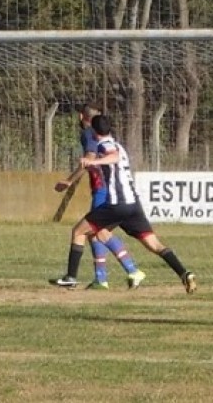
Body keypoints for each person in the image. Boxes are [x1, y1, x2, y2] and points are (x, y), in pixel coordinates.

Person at [71, 115, 197, 294]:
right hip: (133, 205)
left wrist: (94, 161)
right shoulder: (119, 145)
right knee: (154, 245)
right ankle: (184, 273)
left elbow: (112, 156)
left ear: (93, 131)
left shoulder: (104, 145)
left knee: (82, 231)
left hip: (117, 204)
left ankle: (72, 278)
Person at [52, 104, 145, 290]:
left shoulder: (89, 133)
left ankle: (120, 273)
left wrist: (70, 181)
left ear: (81, 116)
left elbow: (89, 157)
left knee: (95, 232)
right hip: (106, 188)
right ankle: (107, 276)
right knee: (96, 232)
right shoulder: (103, 136)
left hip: (103, 189)